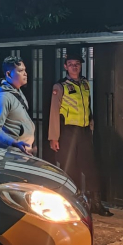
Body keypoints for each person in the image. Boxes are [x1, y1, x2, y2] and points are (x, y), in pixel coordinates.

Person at [48, 54, 112, 216]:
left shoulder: (85, 84)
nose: (74, 67)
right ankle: (73, 205)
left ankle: (96, 204)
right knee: (70, 168)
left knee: (90, 167)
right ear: (65, 67)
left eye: (77, 64)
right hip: (67, 132)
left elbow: (87, 106)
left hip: (83, 131)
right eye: (70, 64)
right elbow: (54, 112)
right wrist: (54, 137)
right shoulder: (60, 86)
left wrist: (91, 124)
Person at [0, 56, 35, 154]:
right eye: (20, 71)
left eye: (25, 70)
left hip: (22, 151)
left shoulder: (17, 91)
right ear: (9, 74)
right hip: (12, 153)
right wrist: (14, 143)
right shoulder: (3, 97)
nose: (25, 73)